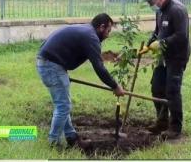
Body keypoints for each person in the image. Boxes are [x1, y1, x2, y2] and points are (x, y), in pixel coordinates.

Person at [35, 13, 125, 150]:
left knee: (63, 104)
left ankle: (71, 137)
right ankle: (53, 142)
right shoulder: (91, 37)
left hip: (49, 64)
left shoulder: (86, 32)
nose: (108, 35)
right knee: (63, 106)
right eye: (108, 31)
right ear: (101, 27)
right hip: (52, 66)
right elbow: (99, 67)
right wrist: (115, 86)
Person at [138, 0, 191, 140]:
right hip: (164, 56)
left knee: (172, 90)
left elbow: (182, 35)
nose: (150, 5)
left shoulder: (177, 10)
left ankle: (175, 128)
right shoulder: (160, 11)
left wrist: (161, 43)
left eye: (150, 2)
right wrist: (148, 45)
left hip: (177, 56)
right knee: (157, 87)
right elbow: (157, 31)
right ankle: (162, 122)